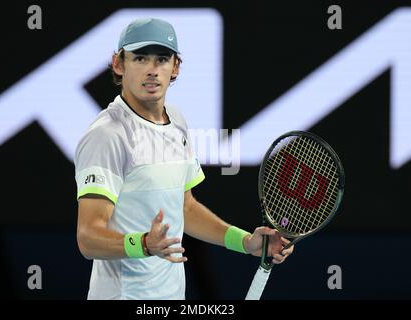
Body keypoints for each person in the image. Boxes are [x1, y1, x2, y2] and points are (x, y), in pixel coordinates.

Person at [74, 17, 294, 300]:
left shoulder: (176, 120)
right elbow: (89, 237)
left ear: (175, 67)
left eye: (162, 60)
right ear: (119, 64)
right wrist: (143, 244)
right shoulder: (108, 134)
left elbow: (185, 208)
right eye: (140, 58)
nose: (152, 70)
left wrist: (247, 242)